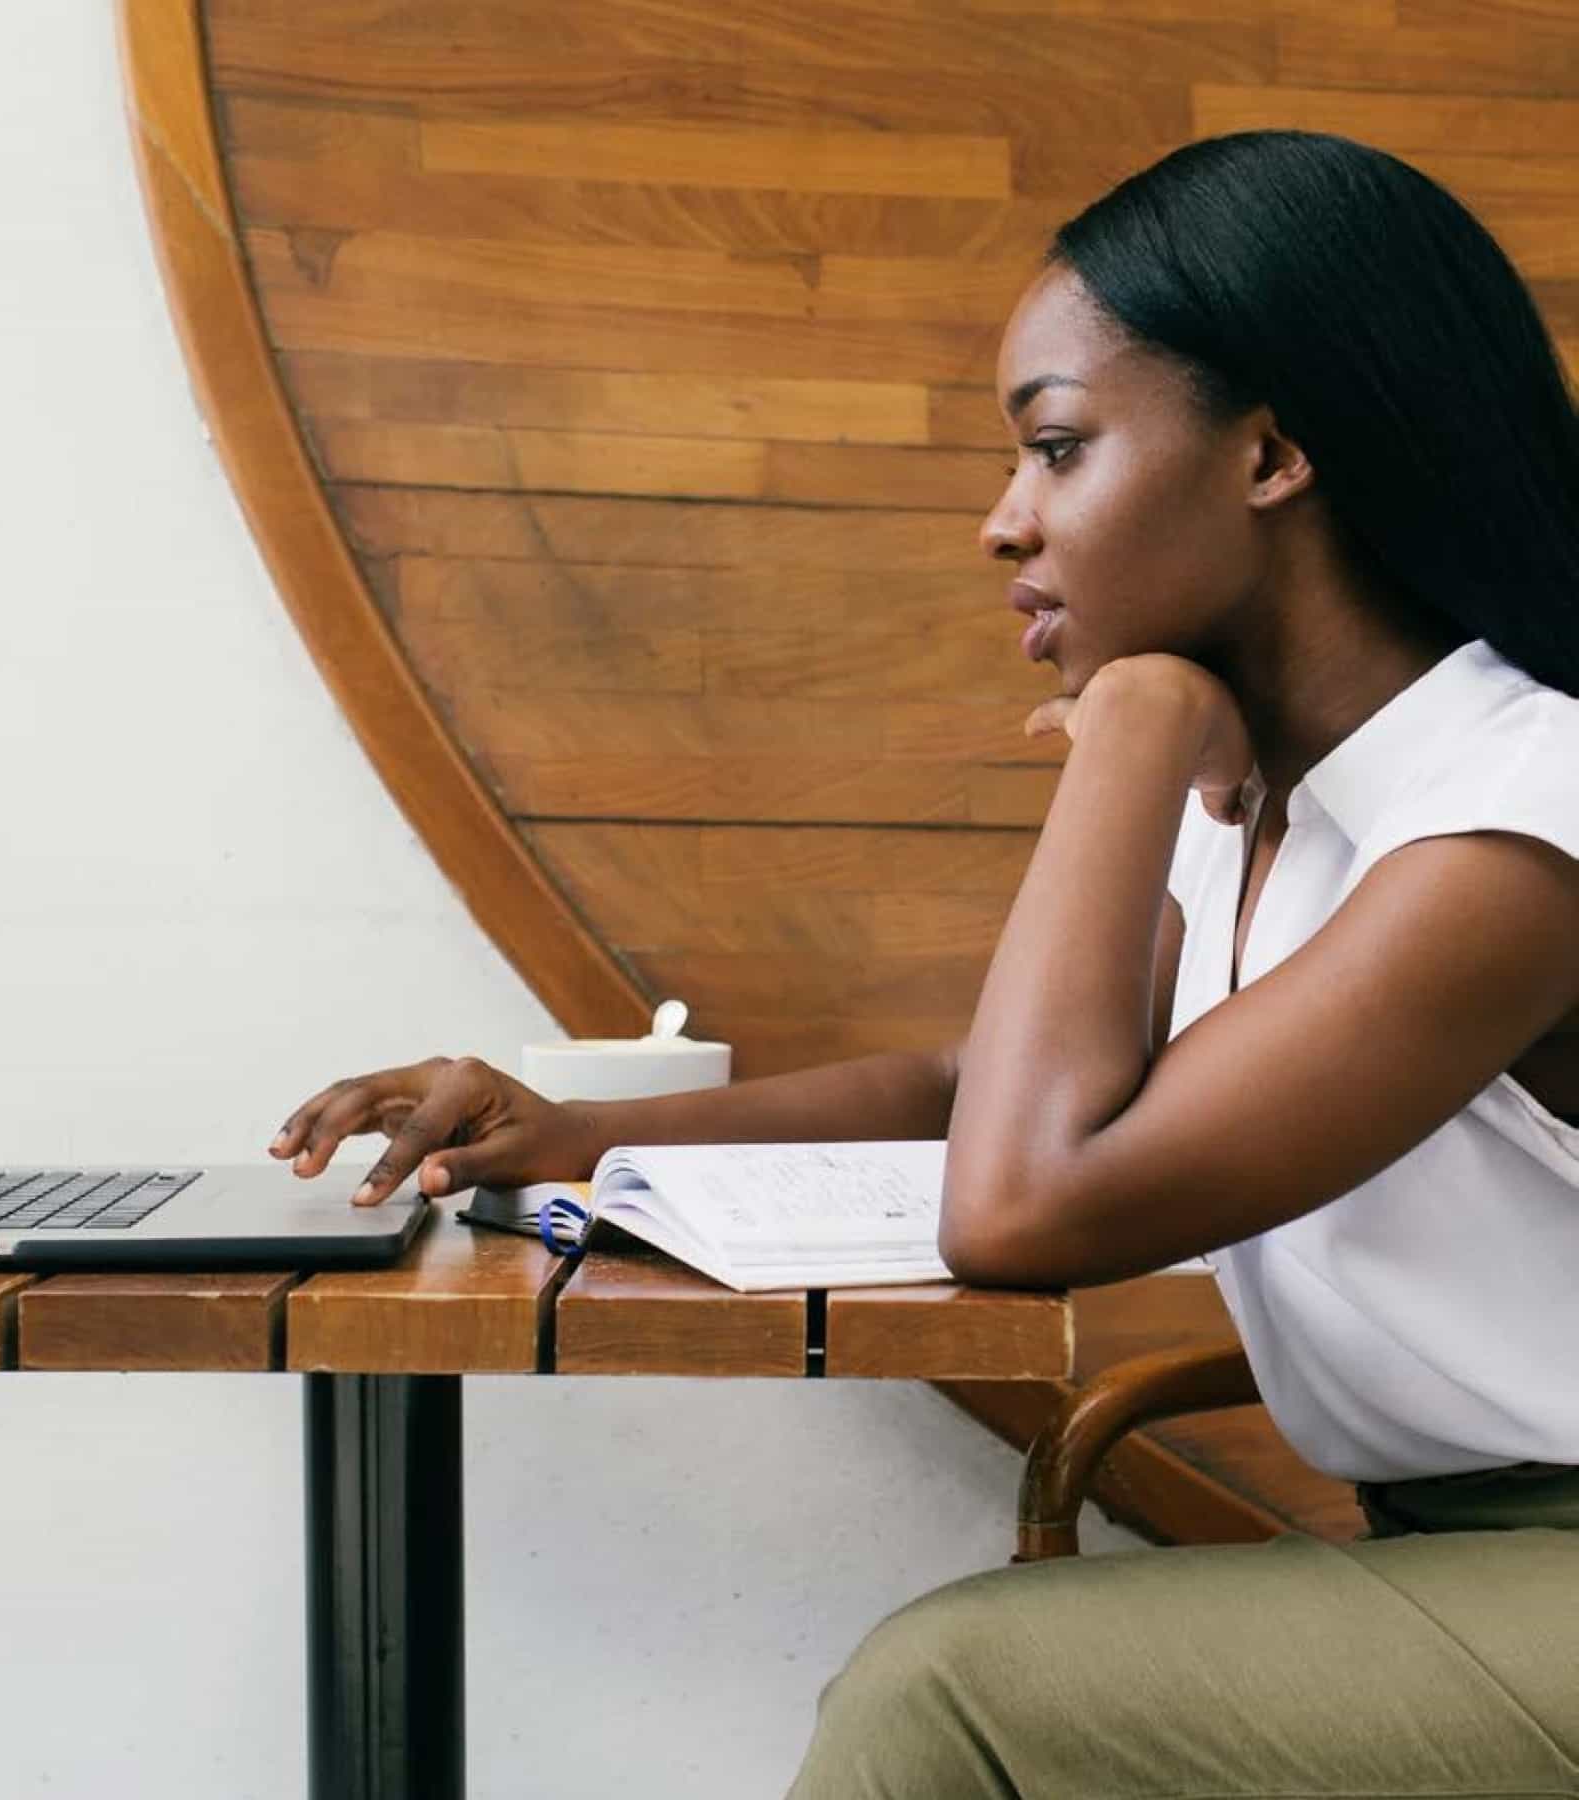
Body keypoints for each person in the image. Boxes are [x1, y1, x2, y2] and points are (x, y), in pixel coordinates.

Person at [270, 131, 1579, 1796]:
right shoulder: (1290, 809)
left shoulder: (1518, 820)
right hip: (1462, 1563)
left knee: (951, 1693)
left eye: (1058, 448)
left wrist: (1133, 729)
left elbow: (1023, 1205)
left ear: (1268, 455)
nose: (1002, 525)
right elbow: (983, 1096)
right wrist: (577, 1135)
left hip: (1535, 1568)